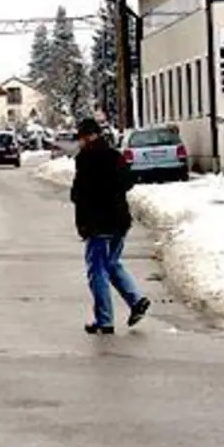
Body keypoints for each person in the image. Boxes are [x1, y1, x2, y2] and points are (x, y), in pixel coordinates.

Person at [70, 118, 151, 335]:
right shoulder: (115, 156)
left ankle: (104, 320)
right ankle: (136, 300)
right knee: (112, 263)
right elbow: (128, 182)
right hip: (119, 221)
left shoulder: (86, 160)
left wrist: (84, 222)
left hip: (98, 224)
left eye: (81, 138)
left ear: (87, 137)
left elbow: (80, 195)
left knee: (97, 271)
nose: (80, 142)